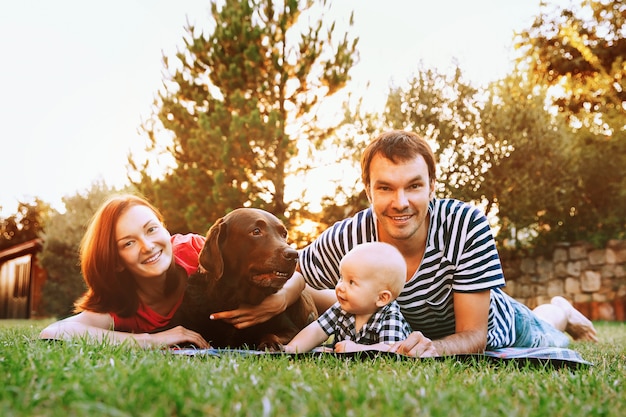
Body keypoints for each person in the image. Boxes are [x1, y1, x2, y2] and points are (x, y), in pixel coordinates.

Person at [296, 129, 598, 358]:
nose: (400, 203)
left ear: (432, 186)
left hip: (502, 325)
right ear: (368, 190)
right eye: (385, 188)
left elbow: (473, 335)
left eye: (414, 186)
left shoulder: (465, 224)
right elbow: (292, 271)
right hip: (414, 331)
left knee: (549, 331)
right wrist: (282, 297)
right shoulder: (350, 235)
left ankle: (563, 310)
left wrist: (434, 349)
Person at [39, 194, 303, 348]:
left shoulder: (193, 250)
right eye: (129, 242)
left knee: (325, 296)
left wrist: (279, 301)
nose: (148, 246)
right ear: (116, 260)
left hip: (294, 299)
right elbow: (53, 332)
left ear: (165, 229)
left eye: (152, 229)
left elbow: (300, 280)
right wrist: (153, 340)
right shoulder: (121, 305)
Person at [284, 242, 412, 353]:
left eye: (351, 282)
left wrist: (357, 349)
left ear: (382, 298)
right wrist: (292, 348)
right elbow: (316, 330)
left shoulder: (390, 316)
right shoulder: (341, 308)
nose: (340, 287)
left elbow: (392, 350)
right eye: (341, 278)